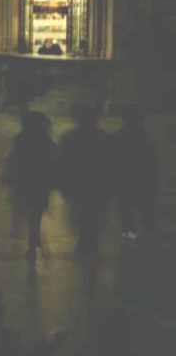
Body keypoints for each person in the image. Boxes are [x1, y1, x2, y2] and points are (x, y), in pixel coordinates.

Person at [56, 103, 114, 258]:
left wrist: (62, 183)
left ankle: (85, 242)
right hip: (97, 186)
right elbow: (111, 164)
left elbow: (62, 162)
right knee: (93, 215)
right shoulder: (104, 138)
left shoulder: (69, 138)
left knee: (81, 214)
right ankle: (90, 242)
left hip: (79, 185)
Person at [5, 111, 55, 263]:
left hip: (24, 184)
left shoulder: (20, 140)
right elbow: (54, 162)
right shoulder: (47, 142)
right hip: (40, 186)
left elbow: (14, 160)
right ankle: (33, 242)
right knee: (35, 217)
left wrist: (9, 176)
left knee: (27, 214)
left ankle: (32, 242)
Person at [111, 108, 158, 243]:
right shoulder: (145, 137)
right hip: (143, 181)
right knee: (146, 212)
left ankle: (130, 239)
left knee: (127, 213)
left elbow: (114, 162)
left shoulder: (119, 136)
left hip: (125, 182)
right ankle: (146, 239)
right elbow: (151, 163)